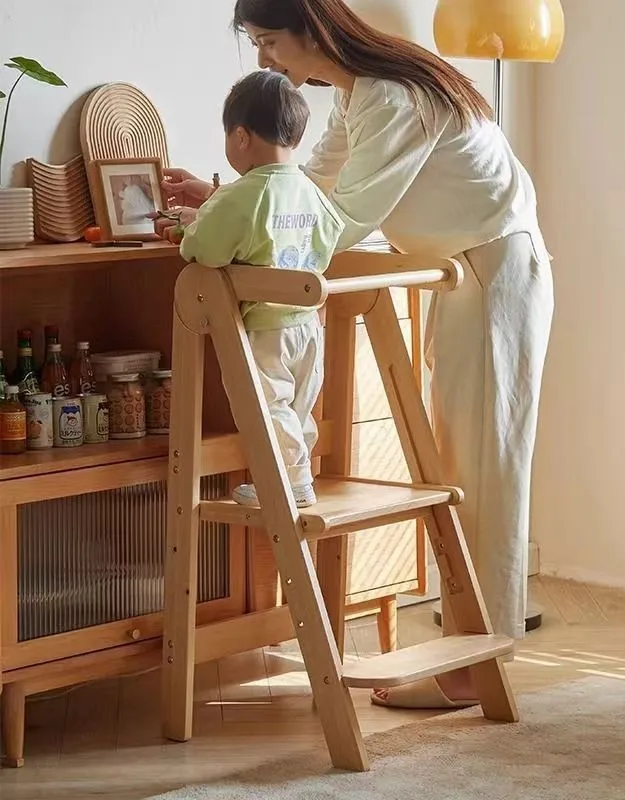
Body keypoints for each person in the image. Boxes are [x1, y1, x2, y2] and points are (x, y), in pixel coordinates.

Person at [153, 0, 554, 711]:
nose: (266, 60)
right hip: (464, 267)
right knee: (465, 459)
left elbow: (346, 218)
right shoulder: (355, 98)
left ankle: (477, 664)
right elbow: (308, 192)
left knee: (485, 466)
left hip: (494, 269)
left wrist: (228, 221)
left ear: (313, 31)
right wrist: (223, 200)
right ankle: (473, 650)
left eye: (270, 41)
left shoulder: (394, 96)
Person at [172, 69, 344, 509]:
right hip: (308, 324)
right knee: (295, 409)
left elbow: (204, 248)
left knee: (266, 406)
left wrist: (184, 234)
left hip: (266, 327)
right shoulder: (309, 188)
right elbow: (330, 235)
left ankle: (290, 483)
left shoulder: (245, 194)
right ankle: (293, 473)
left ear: (241, 137)